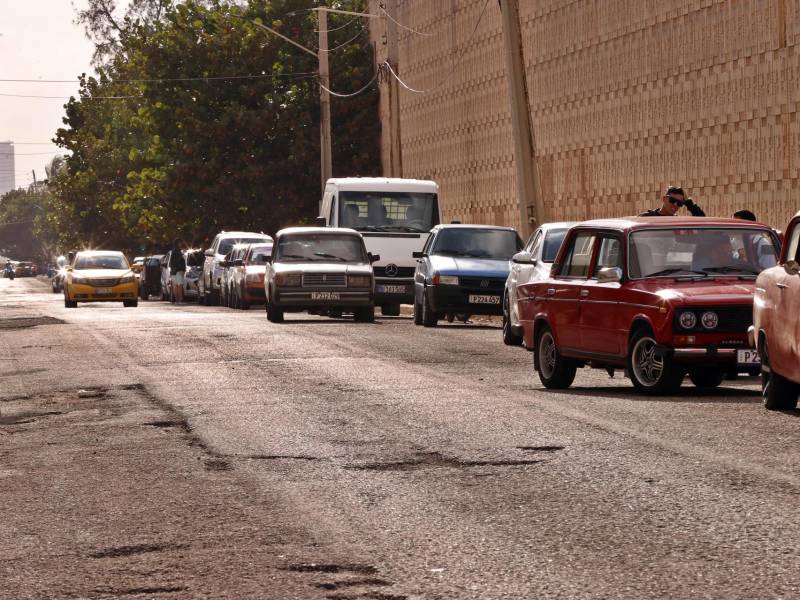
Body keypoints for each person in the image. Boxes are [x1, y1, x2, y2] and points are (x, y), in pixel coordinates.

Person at [640, 186, 705, 217]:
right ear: (664, 199)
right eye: (672, 200)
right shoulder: (647, 217)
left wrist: (688, 202)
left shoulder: (677, 221)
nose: (675, 205)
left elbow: (702, 220)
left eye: (679, 203)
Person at [169, 239, 187, 304]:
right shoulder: (177, 252)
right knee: (179, 285)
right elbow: (179, 262)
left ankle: (177, 299)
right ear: (177, 243)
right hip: (178, 271)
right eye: (180, 243)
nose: (181, 244)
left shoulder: (174, 251)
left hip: (174, 271)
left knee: (176, 285)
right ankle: (180, 299)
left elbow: (172, 263)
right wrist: (181, 270)